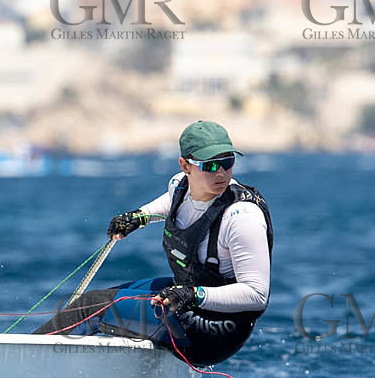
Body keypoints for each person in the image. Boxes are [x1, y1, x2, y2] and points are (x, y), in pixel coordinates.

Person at [34, 120, 272, 365]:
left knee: (91, 307)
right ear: (185, 166)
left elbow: (256, 294)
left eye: (227, 162)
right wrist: (140, 217)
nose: (221, 173)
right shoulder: (179, 184)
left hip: (216, 331)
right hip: (188, 299)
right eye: (211, 165)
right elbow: (173, 201)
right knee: (106, 296)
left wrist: (193, 294)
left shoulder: (242, 218)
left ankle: (27, 361)